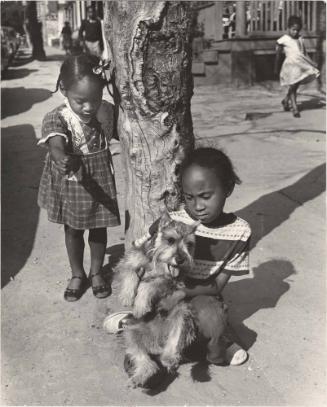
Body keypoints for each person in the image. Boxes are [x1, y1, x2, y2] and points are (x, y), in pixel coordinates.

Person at [105, 147, 251, 366]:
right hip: (161, 286)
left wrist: (181, 294)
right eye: (189, 197)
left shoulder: (240, 231)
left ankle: (214, 341)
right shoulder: (173, 220)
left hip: (200, 293)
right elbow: (138, 252)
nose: (198, 206)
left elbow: (217, 286)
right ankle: (135, 324)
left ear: (227, 188)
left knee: (211, 323)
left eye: (205, 196)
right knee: (146, 361)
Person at [37, 54, 120, 302]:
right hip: (73, 180)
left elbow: (121, 131)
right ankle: (77, 273)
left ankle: (96, 272)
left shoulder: (106, 112)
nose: (88, 107)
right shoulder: (58, 116)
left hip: (99, 179)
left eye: (94, 99)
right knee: (73, 229)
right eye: (80, 100)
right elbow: (55, 142)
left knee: (98, 227)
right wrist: (61, 157)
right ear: (64, 90)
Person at [275, 15, 320, 118]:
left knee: (295, 85)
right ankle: (295, 108)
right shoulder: (284, 39)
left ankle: (286, 100)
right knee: (293, 86)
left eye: (297, 30)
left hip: (300, 65)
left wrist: (312, 63)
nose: (295, 32)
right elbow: (278, 51)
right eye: (293, 29)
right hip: (290, 65)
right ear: (288, 28)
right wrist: (276, 65)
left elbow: (304, 53)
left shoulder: (300, 38)